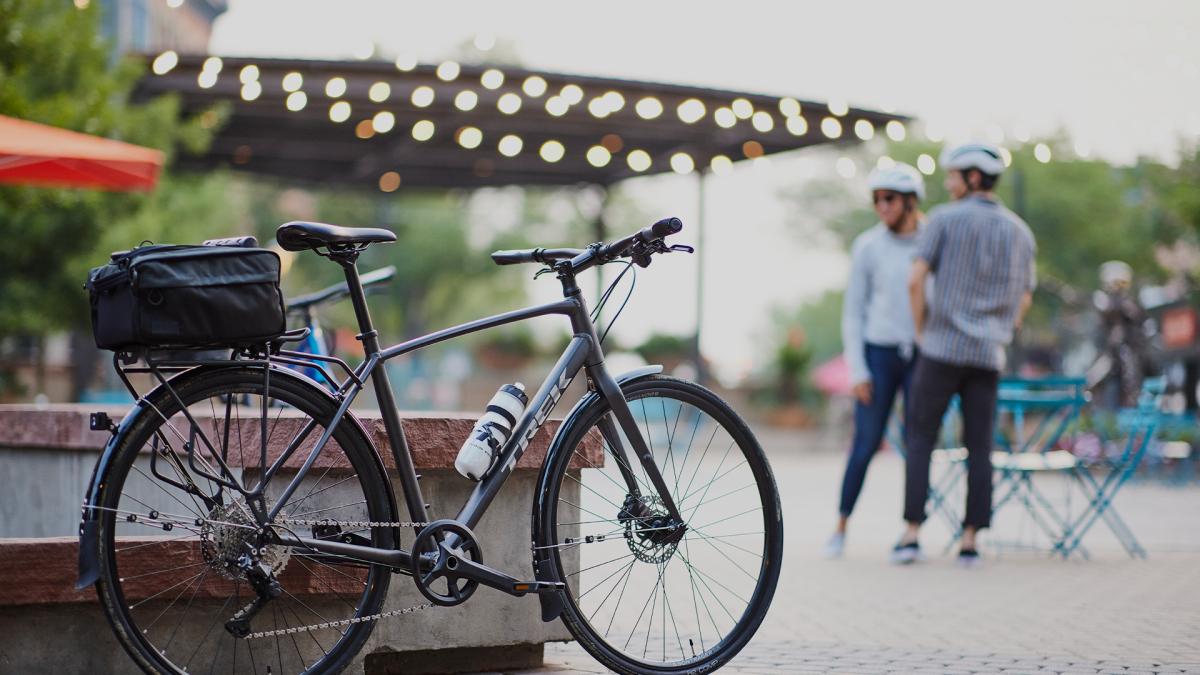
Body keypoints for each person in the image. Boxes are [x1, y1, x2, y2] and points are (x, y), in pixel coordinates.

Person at [895, 140, 1036, 567]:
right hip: (988, 355)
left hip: (940, 348)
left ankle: (912, 533)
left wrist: (922, 332)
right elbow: (1025, 297)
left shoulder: (942, 220)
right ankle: (971, 539)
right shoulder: (1020, 231)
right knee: (980, 446)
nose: (946, 181)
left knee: (920, 439)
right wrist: (1002, 325)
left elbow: (915, 281)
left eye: (952, 174)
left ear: (972, 177)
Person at [824, 163, 926, 559]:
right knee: (865, 443)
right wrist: (858, 369)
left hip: (920, 355)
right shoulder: (868, 245)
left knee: (919, 444)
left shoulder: (931, 239)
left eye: (890, 199)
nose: (882, 206)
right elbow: (853, 311)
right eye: (877, 199)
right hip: (877, 354)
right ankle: (841, 526)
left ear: (910, 201)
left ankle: (911, 532)